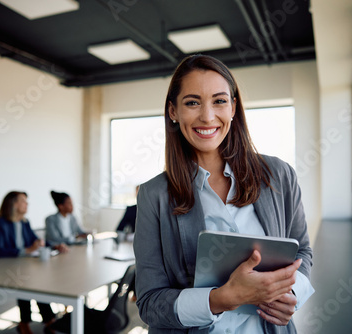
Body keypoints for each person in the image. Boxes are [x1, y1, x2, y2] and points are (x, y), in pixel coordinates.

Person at [133, 55, 314, 334]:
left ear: (233, 107)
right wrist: (221, 299)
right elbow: (150, 303)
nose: (207, 116)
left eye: (219, 100)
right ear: (173, 111)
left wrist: (292, 296)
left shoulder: (279, 175)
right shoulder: (153, 195)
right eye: (192, 102)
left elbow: (302, 251)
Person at [0, 191, 56, 334]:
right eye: (23, 201)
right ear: (14, 204)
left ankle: (34, 321)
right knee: (28, 281)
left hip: (21, 266)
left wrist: (52, 245)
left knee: (32, 280)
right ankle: (47, 321)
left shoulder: (24, 222)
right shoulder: (1, 224)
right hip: (1, 268)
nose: (27, 204)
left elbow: (34, 240)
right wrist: (26, 250)